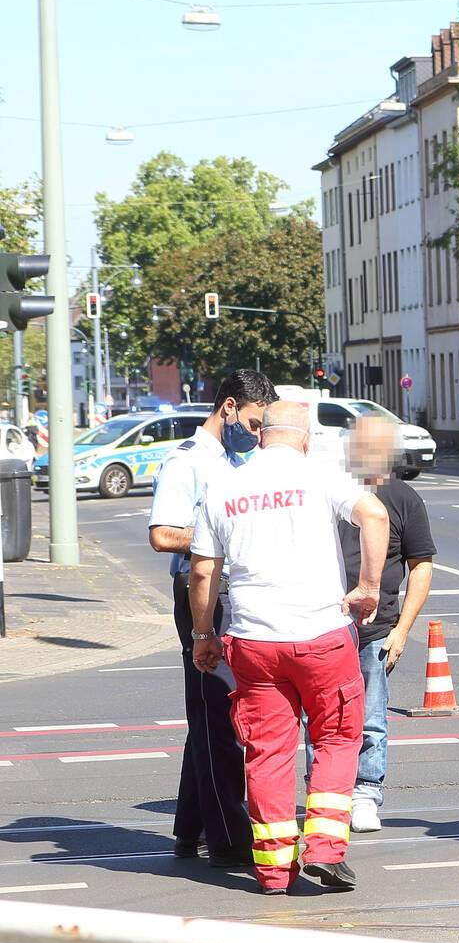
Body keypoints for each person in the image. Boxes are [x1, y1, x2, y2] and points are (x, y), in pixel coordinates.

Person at [188, 399, 389, 895]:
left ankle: (275, 872)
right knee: (339, 738)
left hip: (254, 641)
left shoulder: (224, 484)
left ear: (261, 436)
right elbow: (375, 515)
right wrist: (368, 586)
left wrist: (203, 635)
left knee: (268, 753)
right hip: (321, 635)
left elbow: (203, 570)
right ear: (306, 439)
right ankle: (323, 850)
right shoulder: (318, 476)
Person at [147, 369, 276, 867]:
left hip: (230, 590)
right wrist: (220, 539)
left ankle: (189, 826)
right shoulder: (188, 462)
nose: (257, 433)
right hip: (203, 594)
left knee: (210, 710)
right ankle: (228, 838)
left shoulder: (234, 459)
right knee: (218, 714)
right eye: (252, 421)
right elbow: (162, 534)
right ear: (227, 408)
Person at [339, 414, 437, 834]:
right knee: (320, 718)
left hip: (376, 631)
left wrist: (402, 630)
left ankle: (365, 793)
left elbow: (421, 567)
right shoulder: (330, 490)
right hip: (323, 626)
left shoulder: (404, 499)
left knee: (371, 718)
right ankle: (326, 794)